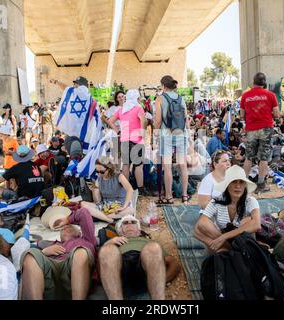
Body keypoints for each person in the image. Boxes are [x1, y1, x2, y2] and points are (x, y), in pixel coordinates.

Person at [20, 205, 97, 300]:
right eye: (62, 228)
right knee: (30, 255)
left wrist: (67, 220)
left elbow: (84, 213)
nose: (64, 228)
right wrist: (44, 252)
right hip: (51, 275)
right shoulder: (50, 243)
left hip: (74, 270)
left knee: (80, 252)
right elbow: (27, 249)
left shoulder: (87, 239)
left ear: (79, 232)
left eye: (69, 226)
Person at [98, 215, 180, 300]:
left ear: (139, 231)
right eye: (125, 223)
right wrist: (109, 243)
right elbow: (101, 265)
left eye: (133, 222)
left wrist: (160, 281)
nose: (129, 224)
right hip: (119, 267)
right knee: (107, 250)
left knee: (153, 248)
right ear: (120, 231)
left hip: (144, 267)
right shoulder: (113, 241)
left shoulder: (149, 241)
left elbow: (174, 264)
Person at [194, 165, 261, 254]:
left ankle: (225, 250)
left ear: (245, 185)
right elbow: (202, 223)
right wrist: (221, 239)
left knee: (248, 221)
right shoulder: (217, 201)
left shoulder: (250, 201)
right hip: (222, 237)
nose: (238, 186)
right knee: (199, 227)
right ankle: (227, 249)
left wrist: (223, 237)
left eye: (241, 182)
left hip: (242, 241)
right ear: (227, 185)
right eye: (234, 182)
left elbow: (257, 225)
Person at [240, 72, 280, 193]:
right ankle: (261, 185)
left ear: (254, 82)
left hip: (251, 129)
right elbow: (277, 114)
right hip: (266, 128)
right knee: (264, 158)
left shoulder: (245, 96)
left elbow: (242, 115)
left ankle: (244, 184)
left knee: (248, 157)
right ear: (264, 82)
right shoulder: (271, 95)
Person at [154, 75, 190, 205]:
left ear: (163, 85)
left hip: (166, 134)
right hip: (181, 133)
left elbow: (158, 120)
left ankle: (169, 197)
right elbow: (186, 119)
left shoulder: (160, 98)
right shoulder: (181, 98)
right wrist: (189, 134)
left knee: (167, 166)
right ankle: (185, 195)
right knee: (183, 165)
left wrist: (155, 132)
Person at [108, 89, 147, 195]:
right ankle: (140, 189)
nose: (139, 99)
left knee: (125, 165)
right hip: (137, 140)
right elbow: (143, 120)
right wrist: (142, 131)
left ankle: (126, 188)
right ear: (136, 98)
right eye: (138, 97)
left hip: (124, 140)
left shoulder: (122, 110)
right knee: (138, 166)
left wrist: (118, 131)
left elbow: (110, 121)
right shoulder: (138, 108)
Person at [81, 157, 135, 223]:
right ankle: (110, 220)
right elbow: (98, 201)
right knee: (83, 204)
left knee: (131, 210)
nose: (99, 174)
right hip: (105, 206)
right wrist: (94, 190)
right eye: (97, 171)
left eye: (102, 171)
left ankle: (101, 216)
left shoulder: (119, 176)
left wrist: (124, 206)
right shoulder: (99, 179)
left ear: (109, 169)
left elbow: (130, 190)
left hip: (119, 206)